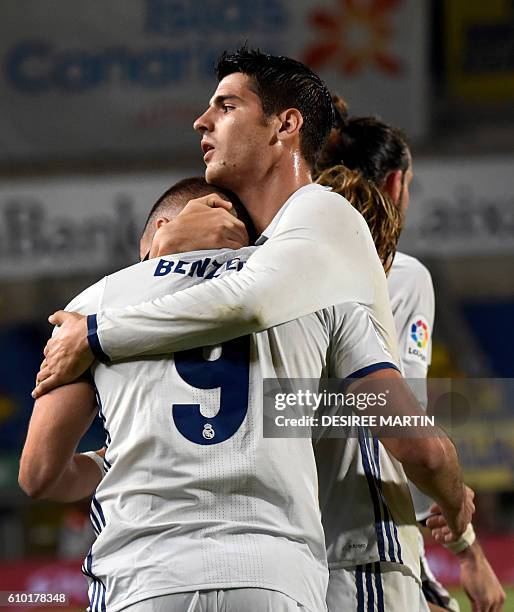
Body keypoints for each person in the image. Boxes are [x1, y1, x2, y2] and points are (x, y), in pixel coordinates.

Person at [32, 45, 471, 569]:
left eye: (226, 106)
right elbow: (279, 399)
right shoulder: (271, 254)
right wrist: (163, 257)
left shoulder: (321, 214)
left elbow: (252, 306)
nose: (200, 121)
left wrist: (98, 332)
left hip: (355, 550)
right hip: (295, 554)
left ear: (284, 126)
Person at [21, 175, 438, 612]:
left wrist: (112, 458)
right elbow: (404, 433)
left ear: (160, 230)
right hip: (276, 575)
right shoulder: (310, 297)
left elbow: (38, 474)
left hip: (144, 575)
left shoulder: (93, 305)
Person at [314, 98, 506, 612]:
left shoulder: (282, 264)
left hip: (288, 540)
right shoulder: (398, 274)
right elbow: (405, 422)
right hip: (361, 537)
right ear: (396, 184)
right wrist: (464, 538)